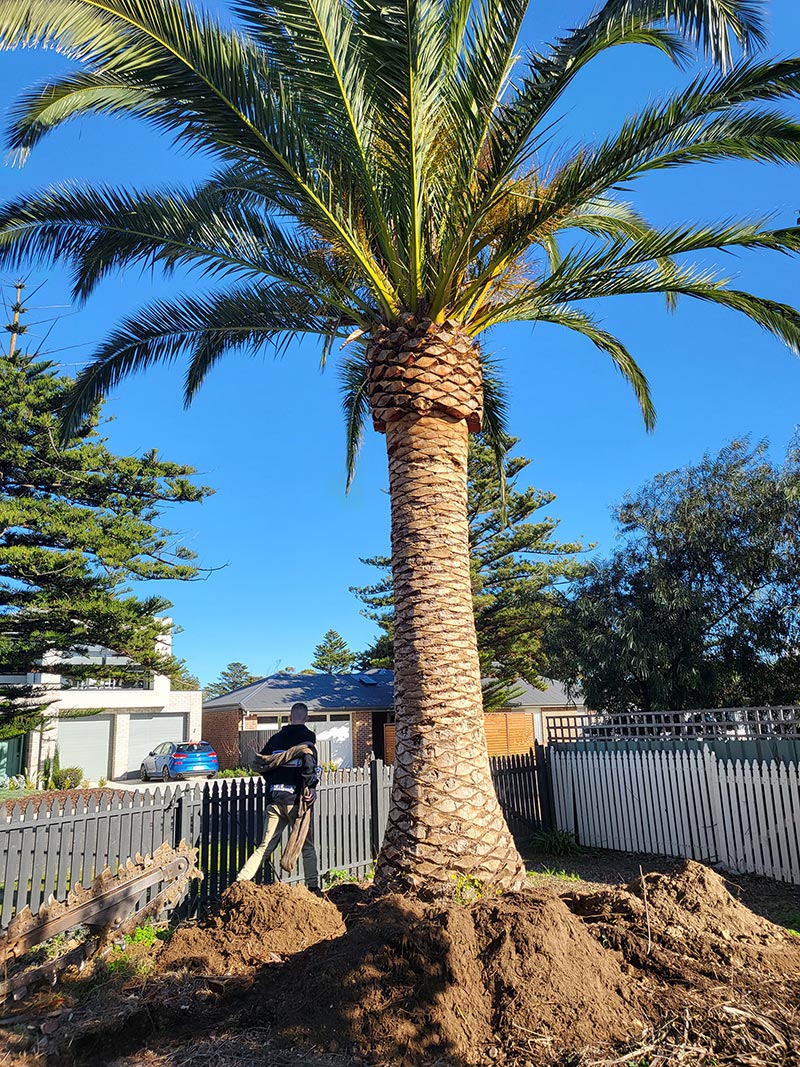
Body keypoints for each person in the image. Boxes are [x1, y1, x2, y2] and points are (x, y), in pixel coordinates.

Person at [236, 702, 320, 890]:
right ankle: (313, 887)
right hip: (295, 801)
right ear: (306, 719)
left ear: (290, 718)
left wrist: (273, 779)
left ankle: (241, 882)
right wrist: (311, 786)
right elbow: (308, 762)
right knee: (306, 845)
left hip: (274, 799)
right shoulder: (307, 737)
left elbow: (262, 762)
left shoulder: (276, 739)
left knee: (265, 846)